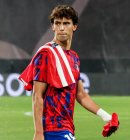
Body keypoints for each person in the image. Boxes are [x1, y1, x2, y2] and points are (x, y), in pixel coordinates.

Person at [19, 5, 119, 140]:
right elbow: (37, 96)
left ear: (74, 26)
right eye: (57, 23)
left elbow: (81, 95)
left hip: (67, 128)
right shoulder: (46, 54)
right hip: (52, 129)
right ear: (53, 27)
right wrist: (39, 133)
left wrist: (106, 117)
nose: (61, 28)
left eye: (66, 23)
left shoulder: (74, 57)